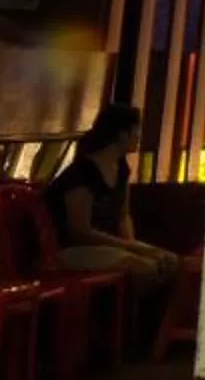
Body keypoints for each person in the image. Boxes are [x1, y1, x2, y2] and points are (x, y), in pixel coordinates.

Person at [46, 104, 180, 302]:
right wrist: (133, 248)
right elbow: (80, 232)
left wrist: (132, 244)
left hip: (109, 245)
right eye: (136, 130)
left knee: (171, 261)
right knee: (145, 267)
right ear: (121, 134)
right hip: (70, 249)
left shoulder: (121, 168)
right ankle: (127, 326)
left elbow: (123, 215)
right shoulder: (83, 173)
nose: (139, 136)